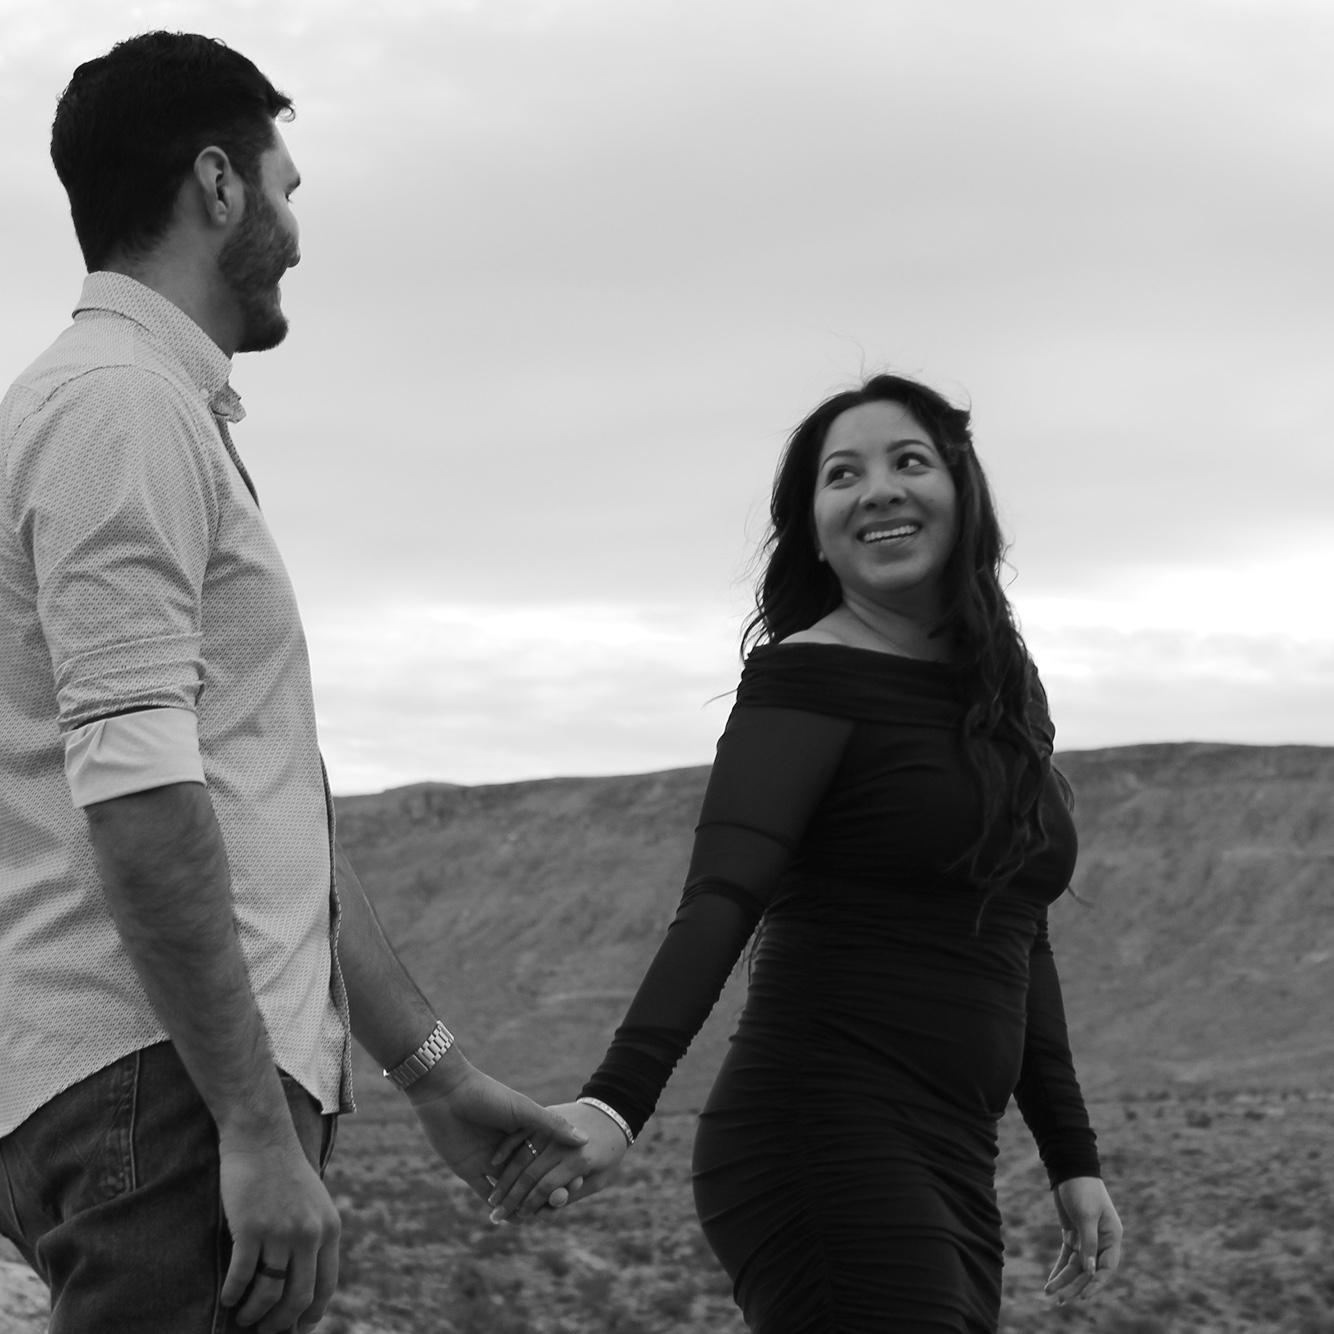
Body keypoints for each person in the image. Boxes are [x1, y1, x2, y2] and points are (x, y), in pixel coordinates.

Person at [0, 32, 584, 1334]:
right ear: (219, 183)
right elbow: (140, 799)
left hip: (162, 1097)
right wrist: (253, 1126)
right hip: (163, 1100)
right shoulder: (119, 409)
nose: (298, 235)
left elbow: (263, 819)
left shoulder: (133, 408)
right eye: (287, 186)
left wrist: (434, 1074)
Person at [486, 374, 1124, 1332]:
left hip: (953, 1156)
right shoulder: (804, 679)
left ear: (963, 493)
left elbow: (1017, 932)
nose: (879, 490)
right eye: (843, 475)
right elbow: (720, 899)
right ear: (816, 531)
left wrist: (1071, 1157)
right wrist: (615, 1105)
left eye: (909, 461)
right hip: (819, 1137)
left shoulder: (1002, 690)